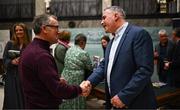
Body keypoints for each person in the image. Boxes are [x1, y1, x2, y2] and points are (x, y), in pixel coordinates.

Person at [81, 6, 157, 109]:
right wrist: (89, 82)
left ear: (116, 16)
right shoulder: (112, 41)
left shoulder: (138, 34)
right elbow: (104, 65)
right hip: (114, 102)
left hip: (134, 103)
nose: (101, 22)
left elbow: (144, 70)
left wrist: (124, 96)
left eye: (104, 18)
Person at [19, 14, 87, 109]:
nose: (58, 32)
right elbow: (58, 90)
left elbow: (36, 81)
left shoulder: (31, 49)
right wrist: (80, 89)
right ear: (45, 29)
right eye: (56, 27)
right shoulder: (41, 55)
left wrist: (55, 80)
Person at [60, 33, 93, 109]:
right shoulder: (83, 53)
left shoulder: (69, 49)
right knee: (77, 96)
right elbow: (89, 67)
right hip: (77, 78)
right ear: (83, 42)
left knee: (67, 95)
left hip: (65, 75)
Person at [3, 23, 31, 109]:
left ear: (25, 31)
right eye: (16, 30)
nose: (18, 32)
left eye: (20, 30)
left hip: (24, 76)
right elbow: (5, 59)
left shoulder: (29, 45)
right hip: (11, 76)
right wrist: (12, 62)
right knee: (11, 98)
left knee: (24, 97)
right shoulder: (10, 44)